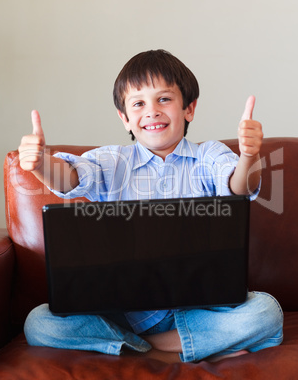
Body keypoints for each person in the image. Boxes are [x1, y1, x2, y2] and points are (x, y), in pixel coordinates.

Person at [19, 49, 283, 363]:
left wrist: (250, 157)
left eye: (164, 99)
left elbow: (239, 187)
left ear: (189, 109)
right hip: (125, 311)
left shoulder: (209, 155)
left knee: (267, 312)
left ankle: (139, 349)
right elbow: (71, 178)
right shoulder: (113, 161)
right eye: (139, 103)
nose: (152, 112)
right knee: (39, 322)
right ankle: (172, 349)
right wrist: (39, 165)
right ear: (125, 118)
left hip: (199, 308)